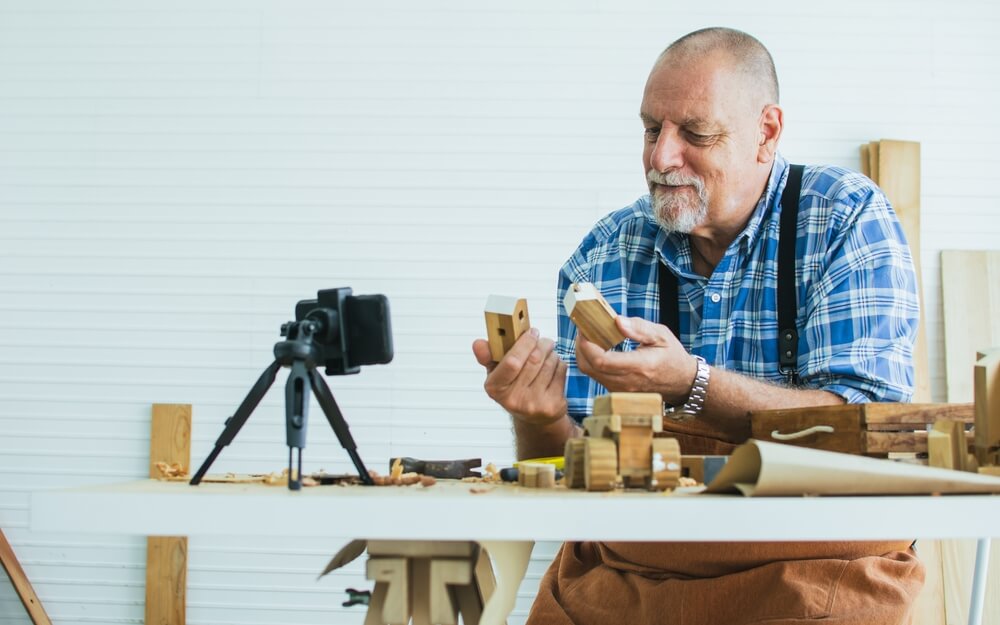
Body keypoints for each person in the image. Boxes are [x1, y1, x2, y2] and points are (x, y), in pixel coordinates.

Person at [472, 27, 924, 625]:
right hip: (634, 576)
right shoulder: (603, 257)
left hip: (813, 569)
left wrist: (693, 384)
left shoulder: (844, 220)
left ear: (766, 133)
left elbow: (868, 439)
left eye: (696, 133)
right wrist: (540, 419)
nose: (661, 158)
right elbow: (579, 482)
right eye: (651, 129)